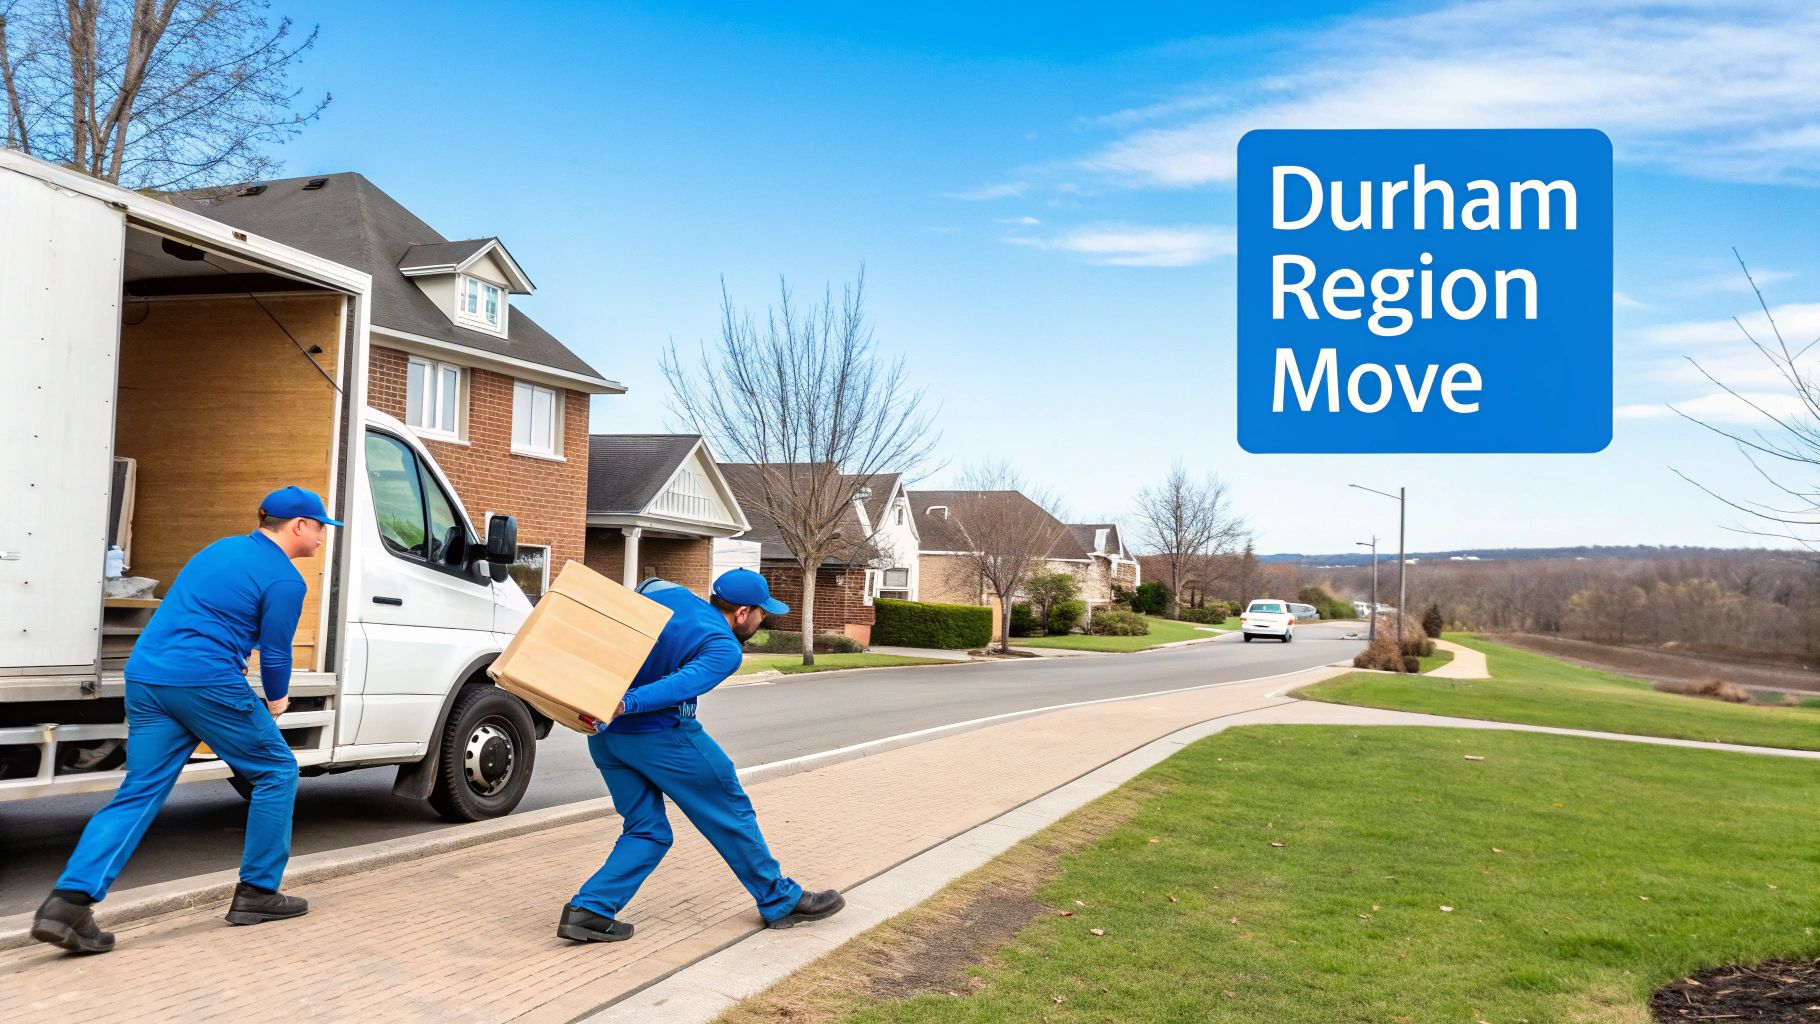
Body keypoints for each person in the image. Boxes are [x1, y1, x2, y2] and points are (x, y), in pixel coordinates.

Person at [30, 486, 340, 954]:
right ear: (298, 526)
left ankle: (68, 904)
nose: (322, 538)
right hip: (207, 679)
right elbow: (276, 653)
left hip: (149, 675)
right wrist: (276, 703)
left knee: (140, 789)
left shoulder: (219, 549)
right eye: (320, 528)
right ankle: (258, 892)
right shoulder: (285, 579)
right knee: (276, 771)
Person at [559, 568, 845, 943]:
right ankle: (779, 899)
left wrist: (611, 702)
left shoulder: (665, 591)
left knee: (648, 829)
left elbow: (635, 597)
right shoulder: (725, 647)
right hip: (660, 735)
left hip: (604, 735)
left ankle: (589, 911)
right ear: (743, 613)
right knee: (731, 810)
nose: (763, 620)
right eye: (762, 613)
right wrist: (627, 703)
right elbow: (680, 684)